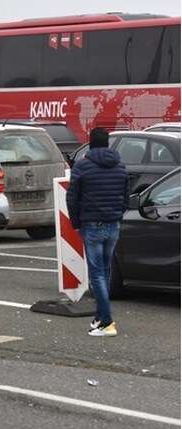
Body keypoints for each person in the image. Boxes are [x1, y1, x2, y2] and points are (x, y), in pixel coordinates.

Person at [65, 127, 129, 337]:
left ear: (90, 142)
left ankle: (107, 323)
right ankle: (99, 318)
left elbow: (72, 197)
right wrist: (117, 216)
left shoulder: (82, 166)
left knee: (97, 274)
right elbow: (126, 197)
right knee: (106, 270)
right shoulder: (120, 166)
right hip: (113, 225)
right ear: (108, 143)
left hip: (91, 224)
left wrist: (75, 223)